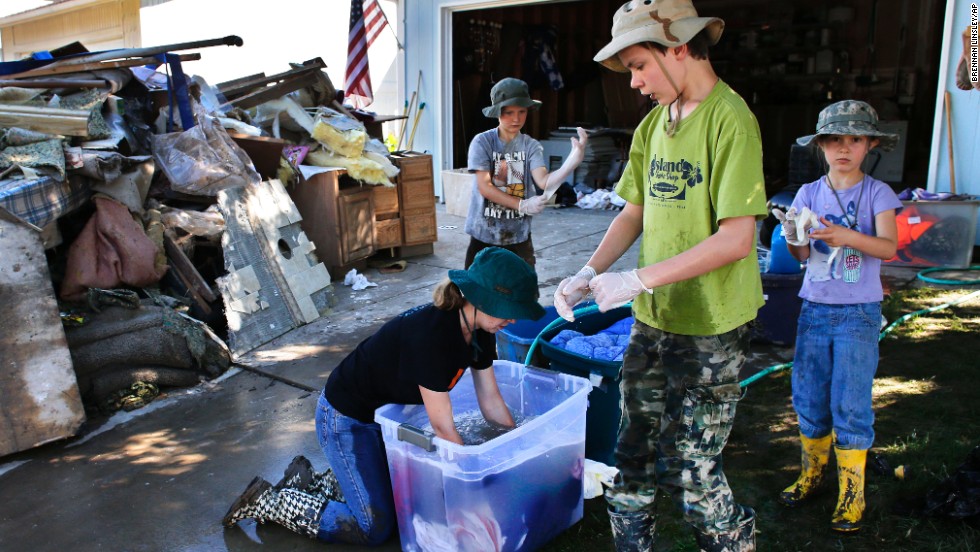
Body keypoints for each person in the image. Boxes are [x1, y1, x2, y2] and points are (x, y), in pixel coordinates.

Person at [553, 1, 767, 550]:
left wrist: (638, 279)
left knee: (693, 471)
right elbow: (633, 212)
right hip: (655, 318)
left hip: (712, 324)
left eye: (639, 66)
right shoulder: (654, 123)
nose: (635, 83)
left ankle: (734, 542)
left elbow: (737, 238)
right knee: (634, 452)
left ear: (678, 47)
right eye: (629, 70)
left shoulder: (730, 119)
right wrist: (590, 270)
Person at [222, 247, 546, 544]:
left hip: (381, 418)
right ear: (481, 299)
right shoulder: (435, 340)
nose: (513, 319)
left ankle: (310, 483)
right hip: (345, 419)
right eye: (509, 310)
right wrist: (474, 488)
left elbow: (490, 402)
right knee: (374, 527)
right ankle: (270, 501)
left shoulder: (479, 330)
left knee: (405, 500)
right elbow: (446, 431)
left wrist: (520, 450)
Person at [773, 100, 901, 533]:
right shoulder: (808, 193)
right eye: (834, 140)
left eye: (855, 139)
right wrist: (793, 236)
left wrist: (846, 235)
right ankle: (812, 473)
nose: (844, 148)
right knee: (808, 397)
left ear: (870, 144)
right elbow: (801, 255)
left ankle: (852, 491)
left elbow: (888, 248)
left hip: (858, 314)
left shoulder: (878, 193)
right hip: (814, 311)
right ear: (820, 146)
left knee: (850, 401)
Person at [464, 76, 588, 268]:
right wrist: (522, 205)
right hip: (484, 234)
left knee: (524, 293)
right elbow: (484, 187)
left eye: (522, 112)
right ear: (497, 112)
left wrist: (571, 163)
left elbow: (543, 182)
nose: (516, 118)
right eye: (509, 112)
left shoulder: (530, 146)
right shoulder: (482, 143)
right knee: (476, 292)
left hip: (519, 236)